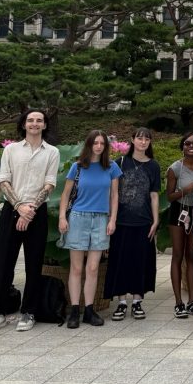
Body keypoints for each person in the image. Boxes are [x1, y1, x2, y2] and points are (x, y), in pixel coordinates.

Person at [0, 108, 59, 333]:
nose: (34, 124)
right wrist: (19, 207)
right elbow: (4, 181)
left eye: (39, 120)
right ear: (24, 124)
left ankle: (29, 311)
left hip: (37, 212)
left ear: (44, 125)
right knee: (4, 262)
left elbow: (50, 183)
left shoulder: (51, 152)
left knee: (34, 264)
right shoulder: (11, 150)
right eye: (30, 120)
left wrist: (30, 209)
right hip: (12, 210)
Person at [58, 130, 121, 328]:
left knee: (93, 268)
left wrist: (113, 220)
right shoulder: (77, 167)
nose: (99, 146)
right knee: (76, 268)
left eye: (102, 143)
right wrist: (62, 218)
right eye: (95, 143)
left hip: (101, 219)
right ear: (89, 145)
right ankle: (75, 310)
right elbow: (65, 195)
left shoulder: (111, 167)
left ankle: (89, 310)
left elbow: (114, 196)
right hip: (78, 218)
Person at [106, 127, 161, 321]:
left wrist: (156, 219)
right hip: (121, 220)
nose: (143, 142)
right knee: (121, 260)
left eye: (147, 139)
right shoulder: (120, 162)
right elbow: (114, 193)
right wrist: (111, 218)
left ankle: (137, 301)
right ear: (132, 140)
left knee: (141, 261)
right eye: (139, 138)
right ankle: (121, 302)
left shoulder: (154, 165)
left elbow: (154, 195)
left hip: (144, 221)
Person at [166, 132, 193, 319]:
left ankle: (191, 301)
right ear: (182, 146)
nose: (191, 146)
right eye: (187, 143)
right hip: (179, 212)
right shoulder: (175, 168)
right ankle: (178, 302)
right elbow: (169, 196)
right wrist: (187, 189)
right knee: (178, 254)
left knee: (192, 255)